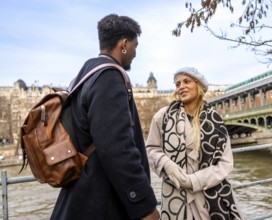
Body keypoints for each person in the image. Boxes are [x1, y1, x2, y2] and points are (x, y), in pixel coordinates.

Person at [51, 14, 159, 220]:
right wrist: (144, 206)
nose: (136, 53)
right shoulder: (108, 77)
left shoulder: (83, 77)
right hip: (102, 201)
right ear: (124, 44)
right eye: (136, 45)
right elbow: (117, 147)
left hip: (81, 195)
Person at [146, 67, 243, 220]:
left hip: (209, 198)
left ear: (199, 86)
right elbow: (152, 149)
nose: (181, 87)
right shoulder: (162, 117)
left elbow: (225, 163)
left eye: (186, 81)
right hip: (176, 196)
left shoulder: (216, 120)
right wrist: (166, 164)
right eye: (177, 84)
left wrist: (193, 181)